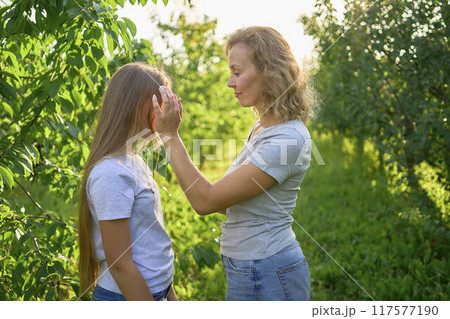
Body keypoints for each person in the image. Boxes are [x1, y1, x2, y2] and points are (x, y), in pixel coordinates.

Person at [153, 26, 316, 301]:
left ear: (269, 72)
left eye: (237, 73)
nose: (230, 82)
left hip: (267, 271)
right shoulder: (263, 127)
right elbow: (235, 204)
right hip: (251, 267)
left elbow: (206, 202)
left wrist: (170, 135)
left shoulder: (286, 140)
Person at [77, 63, 177, 301]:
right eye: (161, 101)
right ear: (140, 105)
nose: (166, 110)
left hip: (154, 293)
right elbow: (120, 264)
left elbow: (153, 241)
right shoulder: (110, 173)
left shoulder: (134, 161)